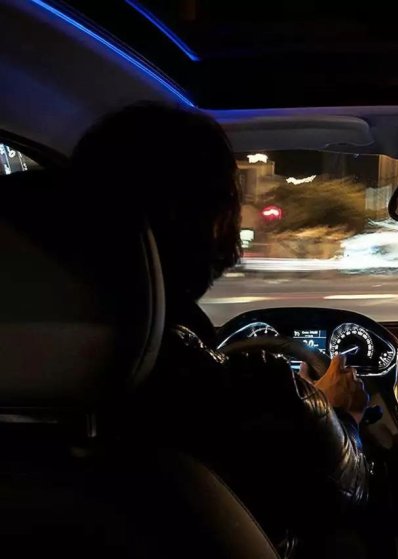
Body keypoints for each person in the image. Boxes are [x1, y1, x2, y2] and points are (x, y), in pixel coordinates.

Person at [71, 103, 370, 549]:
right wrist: (340, 412)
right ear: (216, 224)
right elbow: (344, 494)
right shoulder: (253, 394)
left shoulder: (34, 376)